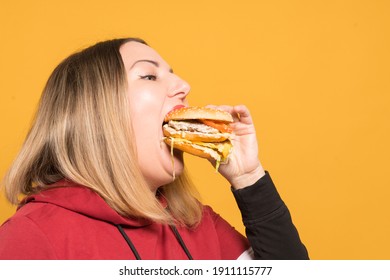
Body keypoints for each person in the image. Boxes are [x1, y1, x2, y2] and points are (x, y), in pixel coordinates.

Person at [0, 38, 308, 260]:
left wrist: (249, 177)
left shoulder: (198, 226)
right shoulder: (30, 237)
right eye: (149, 75)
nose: (184, 85)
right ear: (94, 113)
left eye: (174, 74)